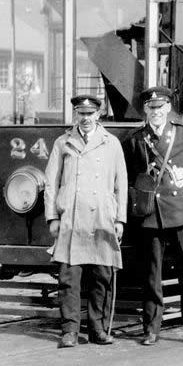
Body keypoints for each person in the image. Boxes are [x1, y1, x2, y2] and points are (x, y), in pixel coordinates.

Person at [123, 86, 183, 345]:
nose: (156, 112)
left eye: (160, 107)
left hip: (181, 212)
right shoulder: (136, 139)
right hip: (150, 215)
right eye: (151, 108)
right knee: (152, 275)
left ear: (168, 108)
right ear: (145, 110)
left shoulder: (182, 133)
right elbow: (127, 174)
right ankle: (151, 329)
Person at [44, 94, 128, 348]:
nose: (86, 118)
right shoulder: (63, 142)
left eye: (90, 114)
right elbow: (51, 181)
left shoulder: (111, 143)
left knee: (101, 276)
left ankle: (97, 328)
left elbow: (120, 184)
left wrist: (120, 219)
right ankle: (69, 330)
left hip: (102, 217)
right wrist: (52, 217)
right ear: (75, 116)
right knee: (69, 279)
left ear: (98, 115)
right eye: (81, 114)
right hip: (71, 219)